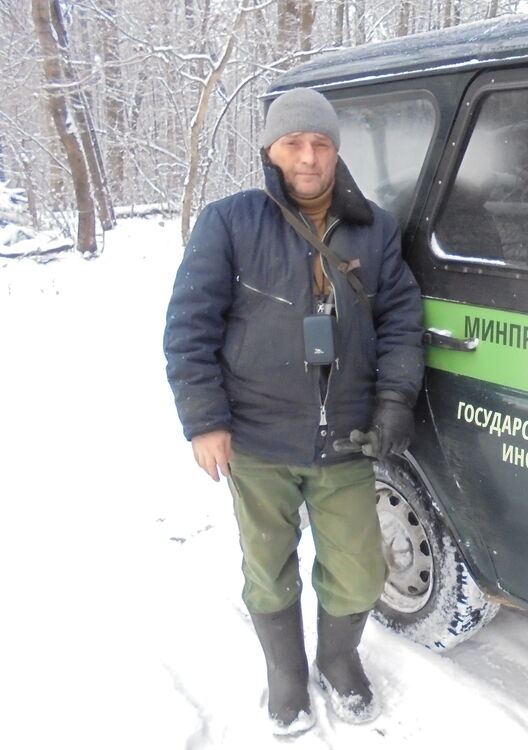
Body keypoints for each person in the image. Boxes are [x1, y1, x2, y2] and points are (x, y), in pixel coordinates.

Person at [163, 87, 424, 735]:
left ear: (335, 150)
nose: (308, 157)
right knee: (269, 566)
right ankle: (285, 675)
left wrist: (394, 399)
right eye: (294, 143)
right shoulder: (229, 222)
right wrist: (206, 422)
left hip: (347, 438)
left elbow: (401, 322)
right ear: (270, 151)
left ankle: (337, 660)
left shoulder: (376, 228)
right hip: (256, 439)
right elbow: (189, 328)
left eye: (321, 143)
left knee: (361, 570)